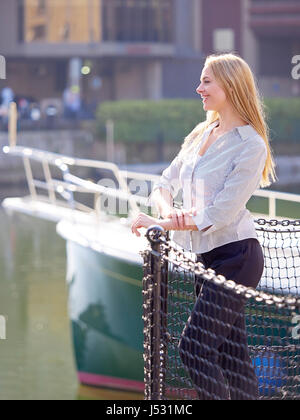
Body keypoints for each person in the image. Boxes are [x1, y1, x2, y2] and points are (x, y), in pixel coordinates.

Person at [131, 53, 277, 400]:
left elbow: (220, 214)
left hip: (238, 258)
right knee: (232, 355)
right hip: (205, 259)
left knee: (194, 348)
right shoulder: (201, 133)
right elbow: (164, 183)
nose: (199, 89)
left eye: (206, 81)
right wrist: (169, 212)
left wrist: (162, 223)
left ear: (230, 84)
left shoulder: (251, 145)